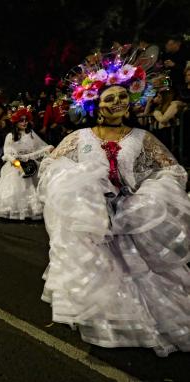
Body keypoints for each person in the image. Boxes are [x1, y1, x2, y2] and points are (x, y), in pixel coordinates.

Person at [39, 51, 190, 357]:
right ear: (96, 104)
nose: (118, 103)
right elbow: (50, 169)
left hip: (133, 216)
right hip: (96, 220)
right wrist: (79, 189)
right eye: (110, 99)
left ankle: (146, 324)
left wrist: (152, 194)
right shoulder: (79, 137)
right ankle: (111, 326)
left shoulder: (141, 137)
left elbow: (171, 169)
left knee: (138, 270)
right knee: (106, 272)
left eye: (123, 97)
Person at [0, 108, 53, 219]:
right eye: (21, 121)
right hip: (16, 166)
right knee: (19, 186)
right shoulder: (10, 136)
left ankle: (33, 210)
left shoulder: (31, 133)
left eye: (26, 120)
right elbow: (7, 153)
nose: (24, 123)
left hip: (32, 165)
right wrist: (18, 164)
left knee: (33, 187)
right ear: (16, 122)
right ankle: (18, 211)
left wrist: (49, 149)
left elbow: (41, 146)